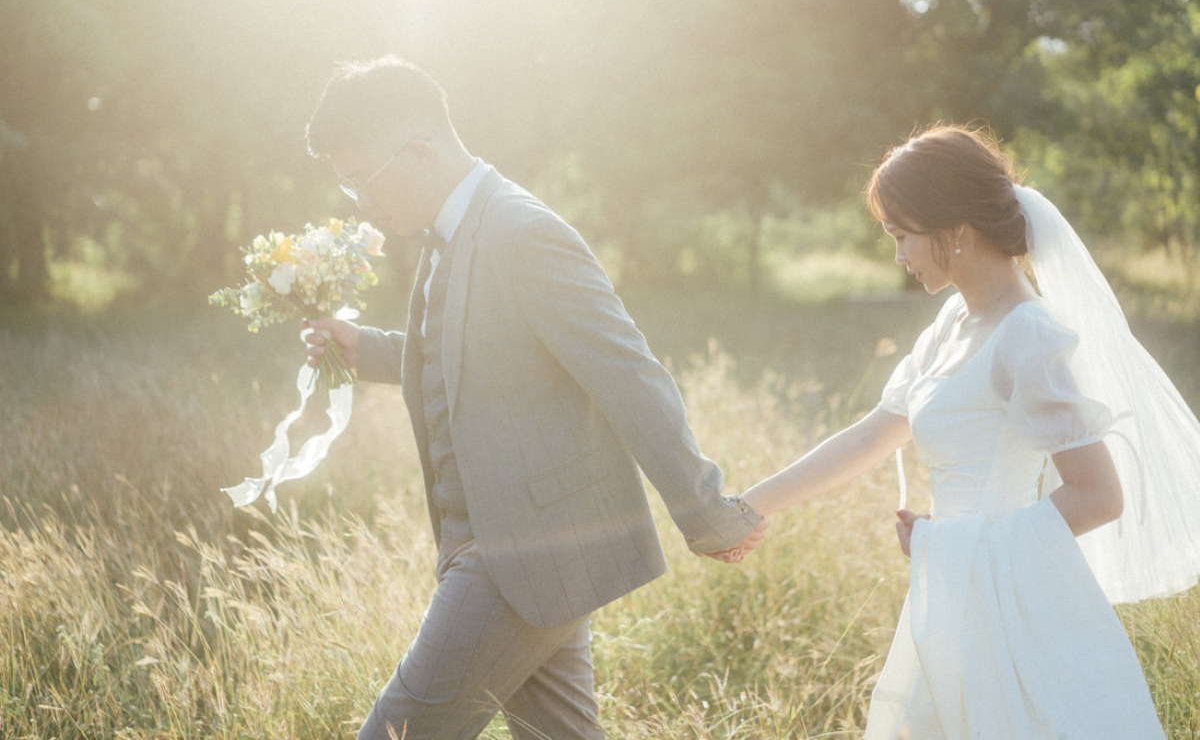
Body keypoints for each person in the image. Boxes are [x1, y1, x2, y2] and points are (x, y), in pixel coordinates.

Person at [300, 56, 768, 740]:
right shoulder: (448, 234)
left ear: (420, 152)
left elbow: (627, 375)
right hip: (509, 552)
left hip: (513, 557)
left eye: (360, 181)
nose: (362, 205)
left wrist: (707, 513)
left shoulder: (523, 232)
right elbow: (471, 348)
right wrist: (365, 348)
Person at [738, 124, 1200, 738]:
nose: (898, 256)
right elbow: (872, 433)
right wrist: (749, 507)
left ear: (955, 230)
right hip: (953, 596)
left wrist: (946, 544)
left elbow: (1099, 496)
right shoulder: (953, 319)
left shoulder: (1026, 336)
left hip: (1012, 606)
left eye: (903, 236)